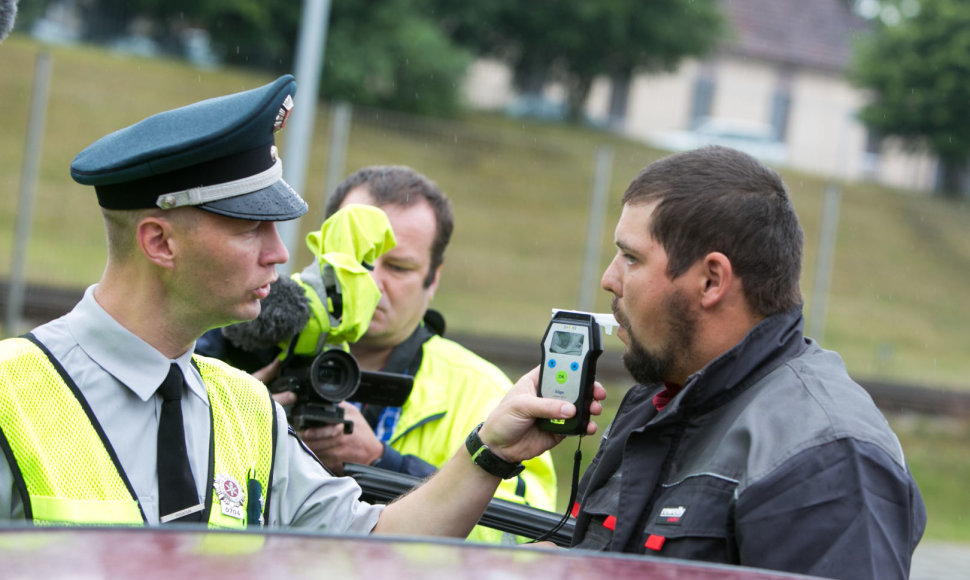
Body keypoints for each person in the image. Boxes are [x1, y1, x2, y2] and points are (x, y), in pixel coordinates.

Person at [0, 75, 603, 535]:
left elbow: (375, 546)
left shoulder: (247, 408)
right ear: (160, 241)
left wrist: (488, 451)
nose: (279, 253)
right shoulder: (10, 395)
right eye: (249, 228)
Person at [570, 145, 925, 579]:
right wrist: (492, 457)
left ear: (711, 280)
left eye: (631, 257)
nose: (609, 278)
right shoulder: (659, 400)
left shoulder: (827, 456)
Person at [200, 165, 558, 544]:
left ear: (433, 279)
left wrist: (379, 463)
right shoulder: (235, 357)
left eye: (398, 267)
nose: (371, 283)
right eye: (359, 261)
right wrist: (246, 428)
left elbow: (521, 537)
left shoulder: (483, 392)